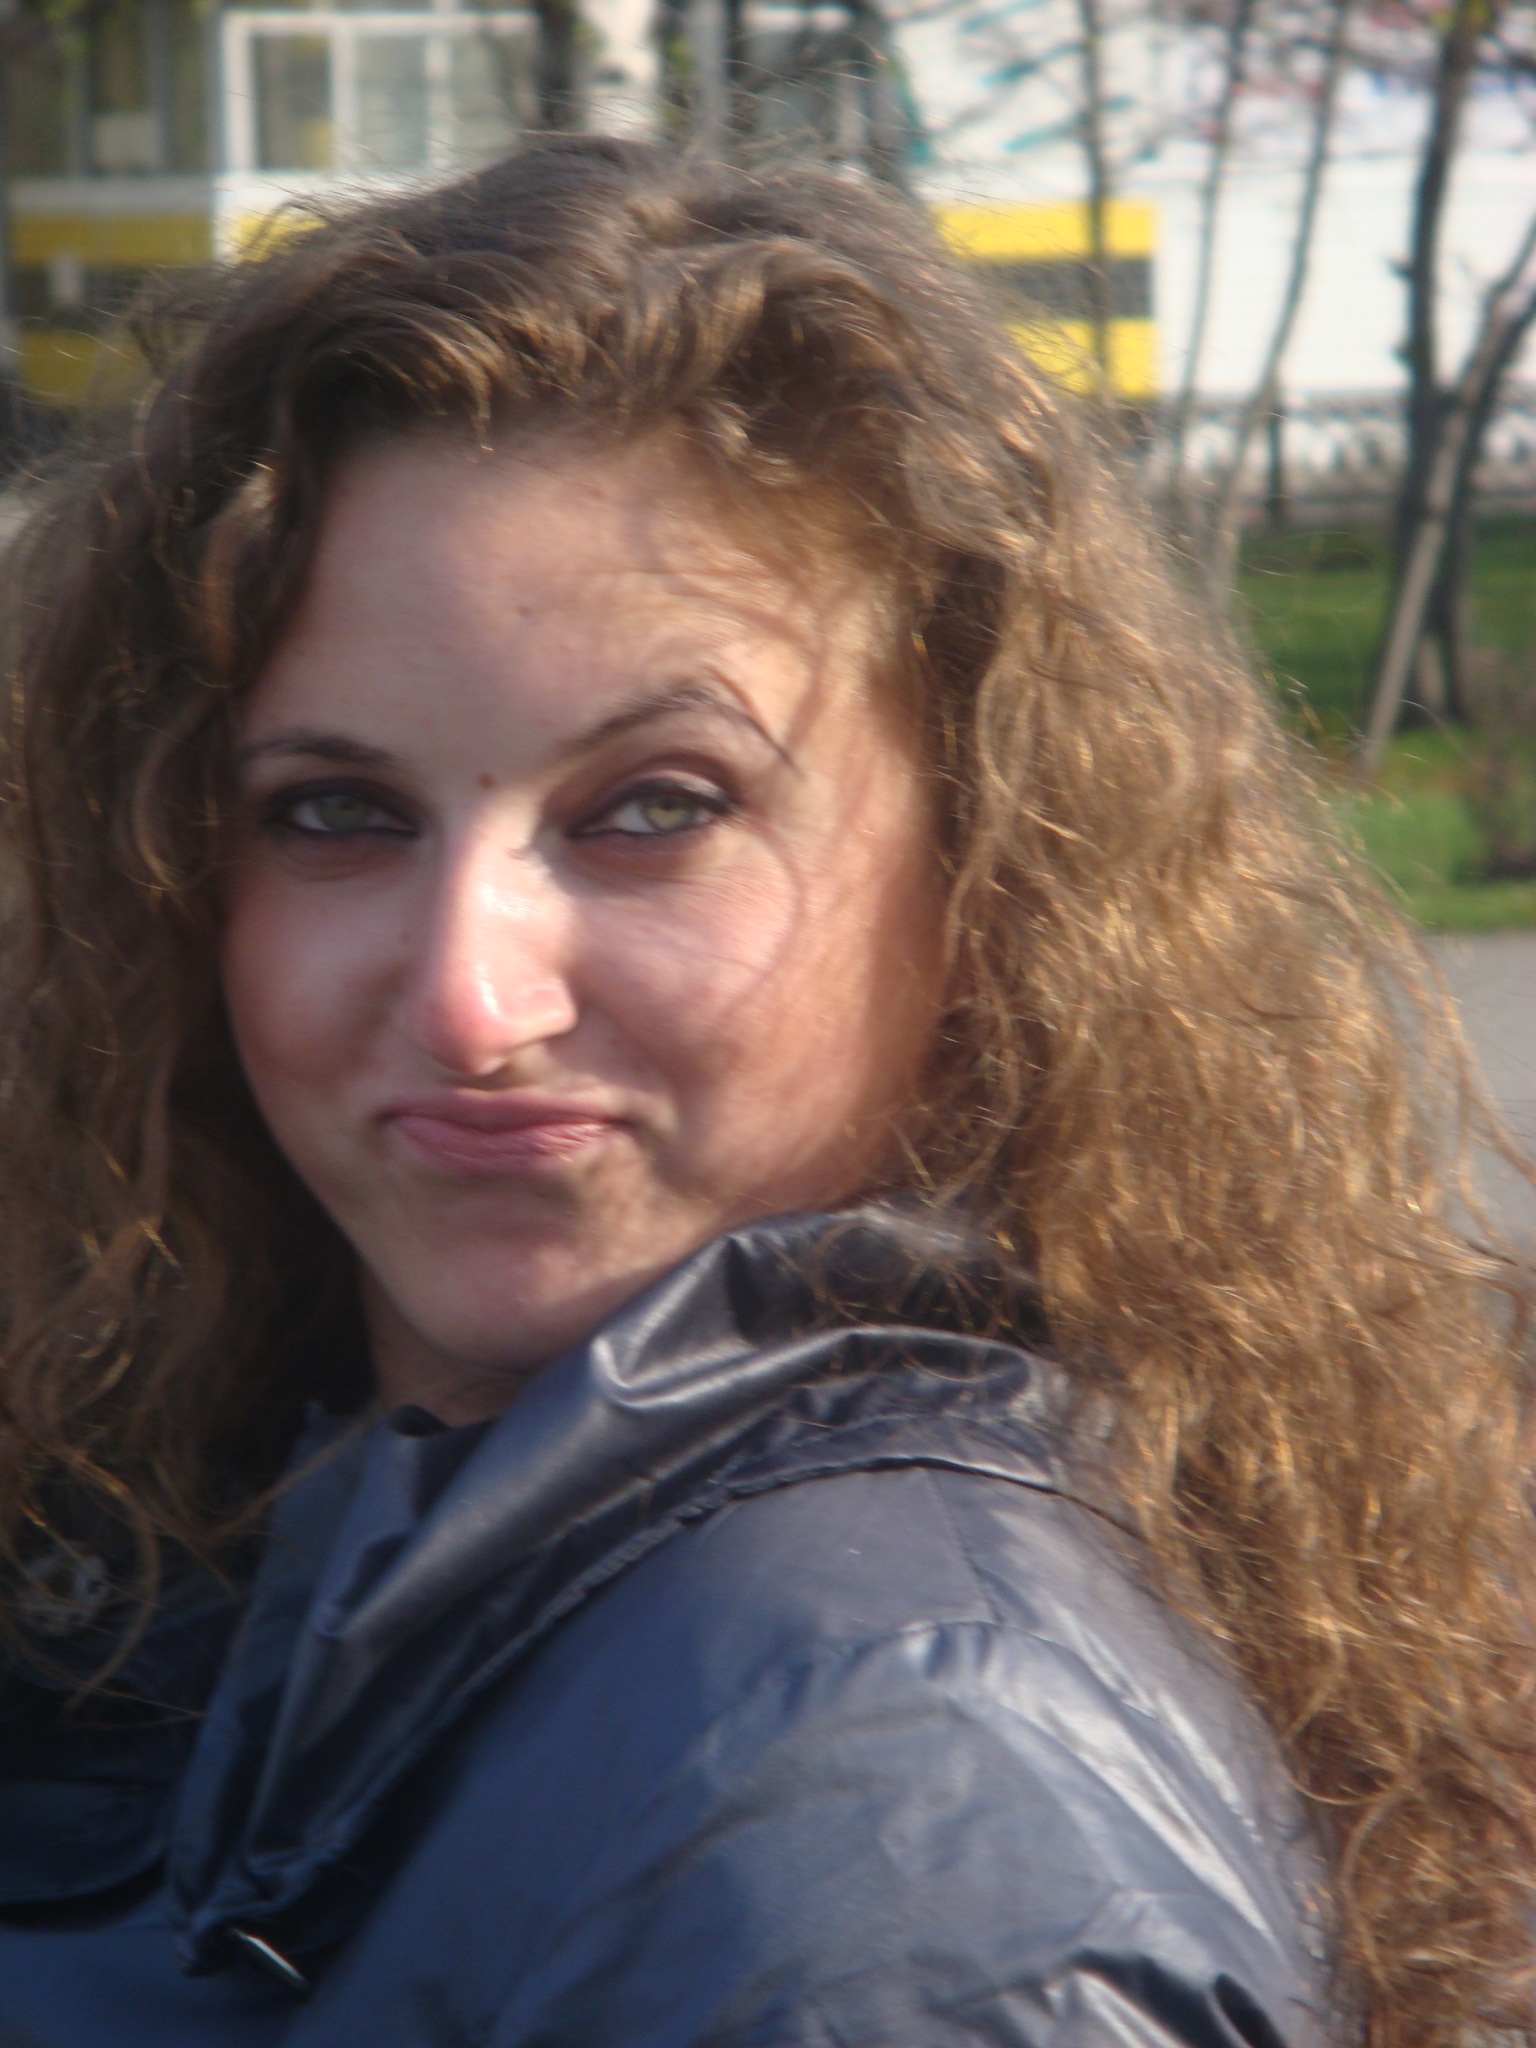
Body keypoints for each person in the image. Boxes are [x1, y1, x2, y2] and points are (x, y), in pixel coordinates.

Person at [0, 137, 1530, 2048]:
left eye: (656, 808)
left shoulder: (890, 1849)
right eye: (334, 812)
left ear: (993, 876)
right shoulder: (232, 1481)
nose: (470, 995)